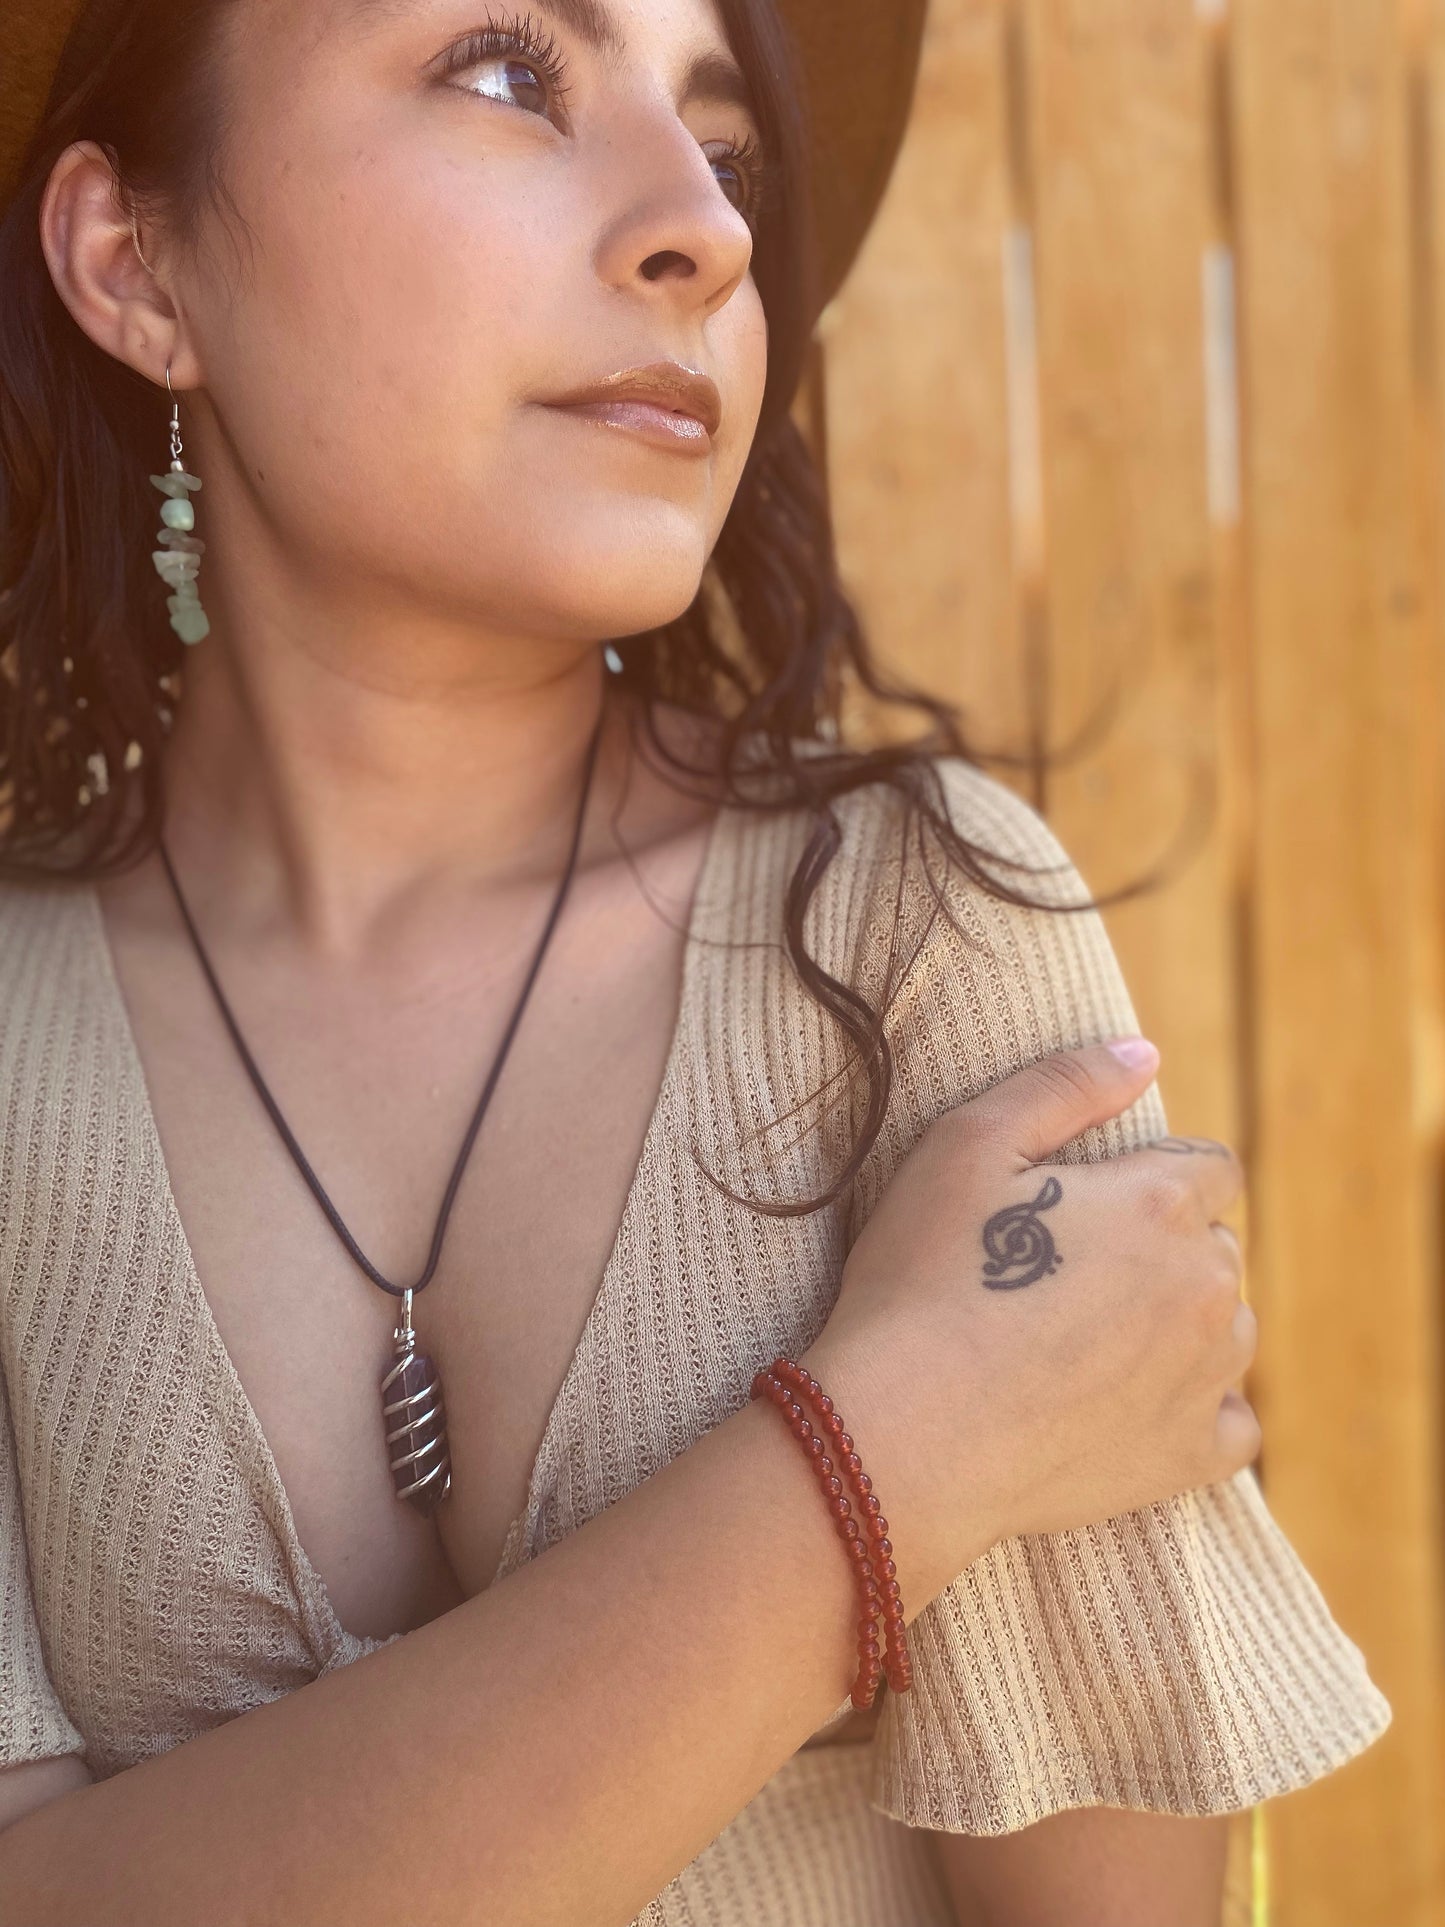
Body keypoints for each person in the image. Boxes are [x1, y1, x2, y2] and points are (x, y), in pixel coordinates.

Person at [0, 0, 1389, 1921]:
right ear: (133, 263)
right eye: (510, 75)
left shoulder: (914, 931)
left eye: (726, 153)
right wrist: (901, 1453)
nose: (706, 231)